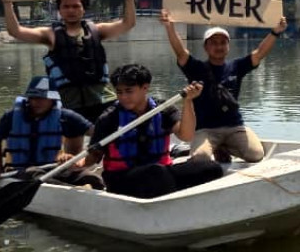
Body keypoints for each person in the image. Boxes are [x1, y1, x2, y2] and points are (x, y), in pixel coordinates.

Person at [159, 10, 287, 163]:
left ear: (228, 46)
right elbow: (180, 53)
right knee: (200, 159)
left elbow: (259, 53)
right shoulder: (196, 68)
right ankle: (215, 147)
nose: (219, 46)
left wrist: (275, 32)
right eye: (213, 43)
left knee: (256, 155)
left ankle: (223, 147)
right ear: (206, 47)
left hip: (234, 126)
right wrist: (169, 27)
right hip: (205, 129)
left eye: (222, 42)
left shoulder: (237, 66)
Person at [0, 0, 137, 123]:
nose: (71, 10)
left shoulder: (98, 30)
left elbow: (128, 23)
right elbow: (15, 31)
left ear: (83, 9)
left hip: (103, 101)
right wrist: (7, 3)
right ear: (59, 10)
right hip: (69, 106)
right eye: (66, 6)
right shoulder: (50, 35)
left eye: (76, 6)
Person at [83, 64, 222, 199]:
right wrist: (80, 163)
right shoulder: (109, 118)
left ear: (145, 88)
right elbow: (93, 157)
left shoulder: (163, 109)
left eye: (129, 91)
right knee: (156, 173)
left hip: (159, 172)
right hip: (121, 178)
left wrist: (188, 101)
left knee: (212, 168)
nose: (123, 97)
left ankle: (169, 192)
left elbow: (186, 135)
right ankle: (172, 197)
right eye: (119, 92)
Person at [0, 75, 92, 181]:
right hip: (19, 172)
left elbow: (95, 132)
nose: (36, 102)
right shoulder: (11, 116)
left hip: (52, 170)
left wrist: (82, 159)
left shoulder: (66, 116)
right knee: (33, 173)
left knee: (89, 177)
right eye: (33, 97)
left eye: (42, 98)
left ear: (52, 99)